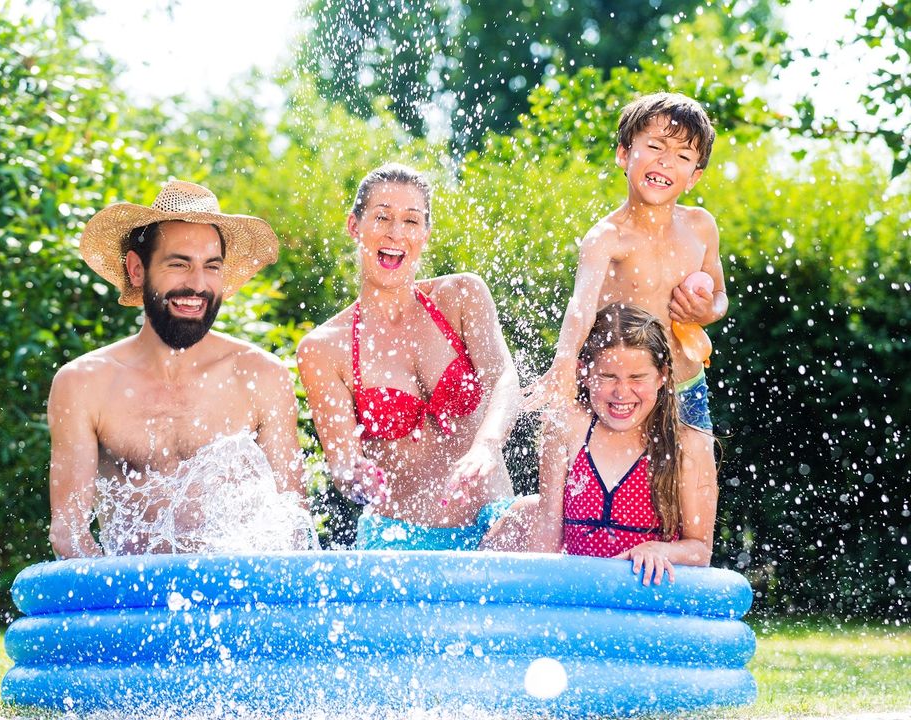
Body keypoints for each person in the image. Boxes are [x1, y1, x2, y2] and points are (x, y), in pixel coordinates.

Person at [48, 180, 312, 557]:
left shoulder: (260, 376)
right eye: (179, 264)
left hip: (235, 603)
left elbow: (293, 524)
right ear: (137, 270)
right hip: (134, 603)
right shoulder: (85, 384)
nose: (198, 285)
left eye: (212, 267)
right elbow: (69, 533)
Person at [297, 163, 524, 550]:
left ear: (425, 233)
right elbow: (341, 460)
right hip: (400, 539)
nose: (395, 233)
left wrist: (486, 445)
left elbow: (505, 380)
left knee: (534, 513)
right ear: (355, 226)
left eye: (411, 221)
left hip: (493, 524)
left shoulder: (461, 296)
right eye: (382, 217)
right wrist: (356, 475)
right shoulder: (323, 348)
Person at [524, 91, 728, 430]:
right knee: (613, 480)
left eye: (682, 155)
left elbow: (720, 296)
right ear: (624, 154)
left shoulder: (701, 226)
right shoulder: (607, 237)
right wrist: (564, 362)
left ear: (694, 176)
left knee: (695, 482)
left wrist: (709, 311)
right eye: (655, 146)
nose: (665, 161)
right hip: (623, 393)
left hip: (687, 390)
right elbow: (581, 305)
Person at [524, 304, 718, 584]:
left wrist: (656, 549)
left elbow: (700, 550)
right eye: (607, 377)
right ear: (584, 373)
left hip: (643, 600)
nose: (622, 392)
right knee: (518, 514)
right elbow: (547, 530)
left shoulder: (688, 445)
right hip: (580, 589)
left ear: (662, 375)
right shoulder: (568, 427)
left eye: (637, 378)